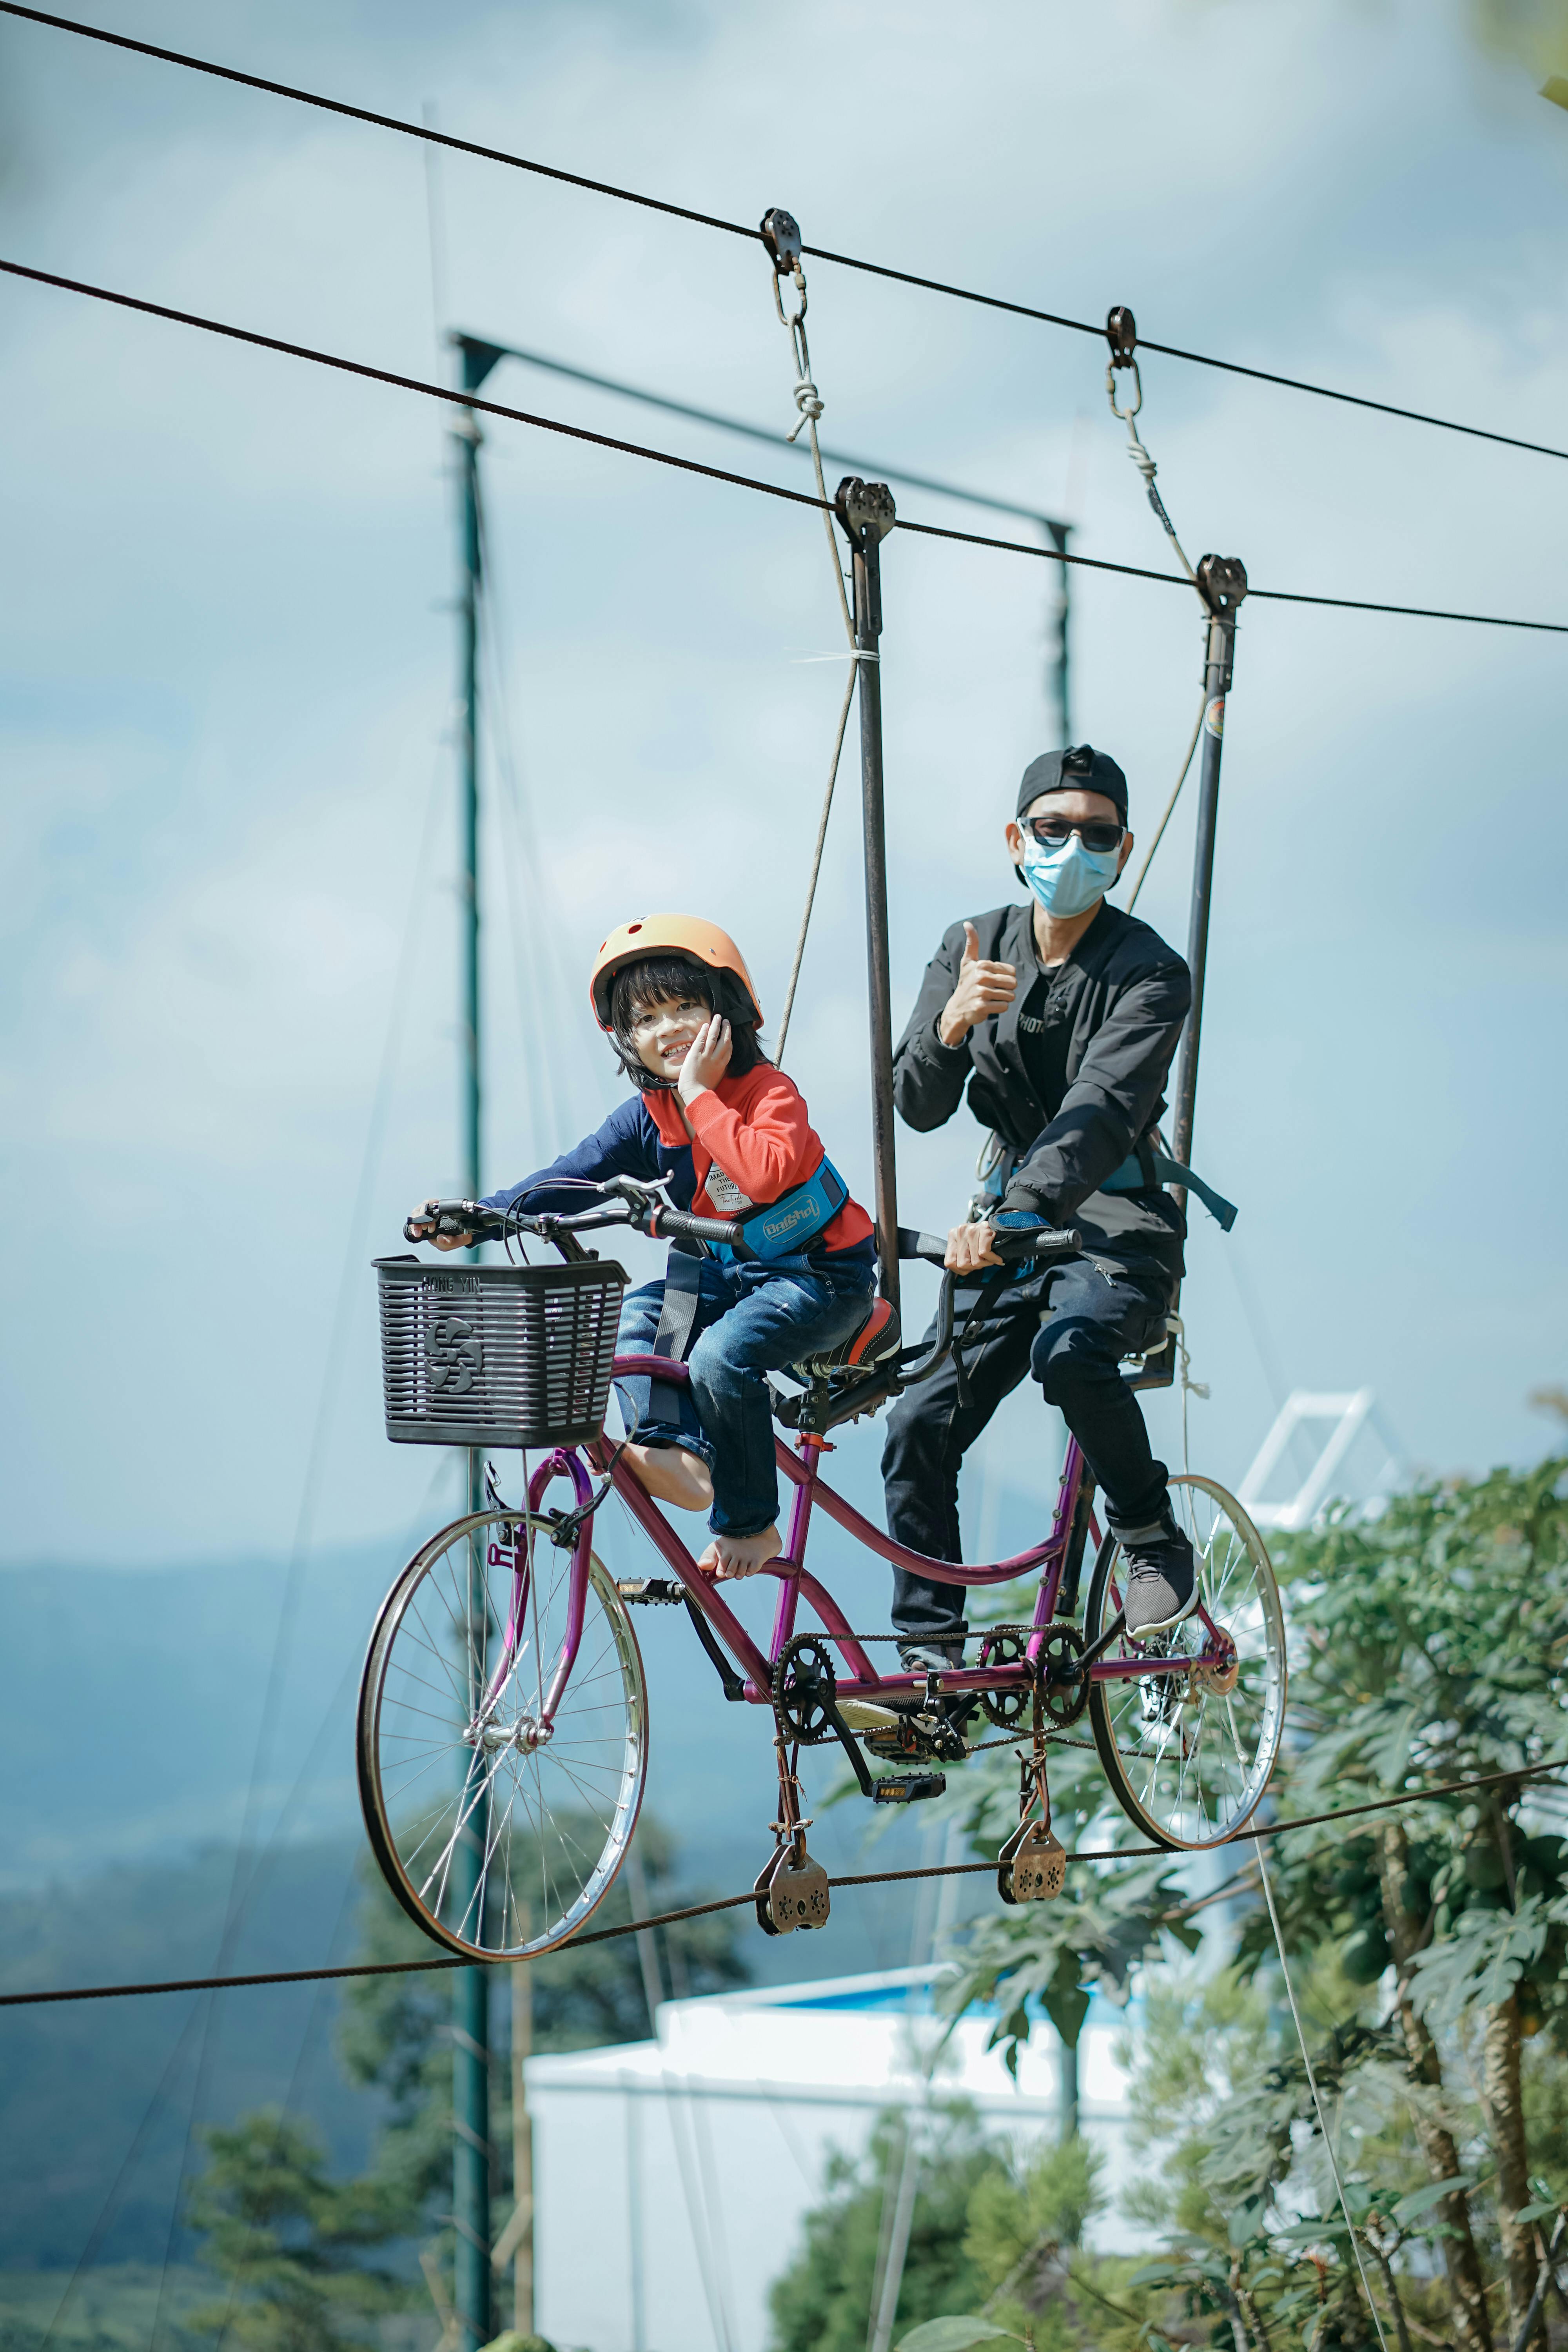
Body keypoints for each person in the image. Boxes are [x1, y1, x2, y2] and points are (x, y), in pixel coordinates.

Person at [408, 916, 880, 1581]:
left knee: (721, 1355)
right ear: (627, 1039)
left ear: (728, 1011)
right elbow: (573, 1177)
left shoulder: (769, 1094)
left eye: (686, 1006)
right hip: (721, 1275)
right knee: (632, 1320)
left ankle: (753, 1523)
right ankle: (677, 1454)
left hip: (817, 1277)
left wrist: (699, 1095)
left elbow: (766, 1174)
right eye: (648, 1019)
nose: (670, 1029)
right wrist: (485, 1218)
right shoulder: (645, 1116)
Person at [881, 742, 1201, 1655]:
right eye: (1052, 829)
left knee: (1070, 1356)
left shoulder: (1149, 973)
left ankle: (1147, 1534)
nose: (1072, 848)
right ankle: (927, 1653)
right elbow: (915, 1105)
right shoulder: (970, 945)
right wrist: (949, 1028)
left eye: (1094, 834)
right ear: (1017, 838)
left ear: (1123, 849)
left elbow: (1100, 1113)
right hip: (1001, 1227)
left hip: (1112, 1223)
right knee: (915, 1425)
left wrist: (1020, 1216)